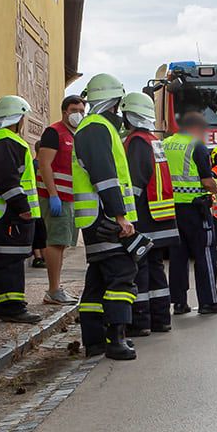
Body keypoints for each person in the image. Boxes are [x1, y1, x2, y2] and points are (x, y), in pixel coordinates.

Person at [70, 74, 138, 361]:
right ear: (112, 102)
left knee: (97, 280)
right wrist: (120, 215)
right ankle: (116, 339)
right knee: (122, 275)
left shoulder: (92, 128)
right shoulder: (98, 128)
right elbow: (105, 177)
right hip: (105, 218)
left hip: (96, 218)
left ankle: (95, 341)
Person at [0, 95, 43, 325]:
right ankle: (13, 308)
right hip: (8, 216)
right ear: (18, 118)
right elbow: (6, 178)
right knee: (11, 263)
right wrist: (23, 207)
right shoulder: (7, 140)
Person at [120, 91, 177, 335]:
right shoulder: (153, 140)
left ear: (129, 116)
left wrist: (123, 212)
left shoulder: (136, 142)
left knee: (140, 269)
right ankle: (161, 319)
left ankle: (140, 321)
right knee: (156, 269)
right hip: (161, 216)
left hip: (143, 216)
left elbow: (134, 183)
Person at [164, 111, 217, 315]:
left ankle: (179, 303)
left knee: (178, 257)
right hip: (196, 209)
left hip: (171, 210)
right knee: (205, 254)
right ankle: (208, 301)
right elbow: (207, 181)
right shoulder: (196, 146)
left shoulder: (165, 144)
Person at [34, 94, 85, 305]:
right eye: (74, 110)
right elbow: (44, 164)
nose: (78, 114)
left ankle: (56, 288)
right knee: (55, 242)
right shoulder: (54, 132)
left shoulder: (76, 135)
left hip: (69, 198)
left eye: (81, 111)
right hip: (56, 198)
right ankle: (53, 290)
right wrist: (53, 194)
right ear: (64, 111)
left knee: (61, 244)